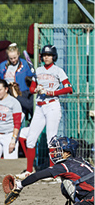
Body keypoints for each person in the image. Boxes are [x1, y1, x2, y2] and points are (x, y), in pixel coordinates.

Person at [6, 136, 94, 205]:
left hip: (92, 199)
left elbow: (37, 175)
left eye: (58, 150)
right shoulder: (81, 161)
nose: (54, 153)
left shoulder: (63, 166)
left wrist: (20, 185)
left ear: (67, 153)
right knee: (65, 184)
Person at [21, 45, 73, 177]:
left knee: (51, 139)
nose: (46, 57)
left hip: (52, 106)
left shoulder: (58, 70)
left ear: (53, 56)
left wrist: (51, 92)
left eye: (49, 55)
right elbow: (32, 89)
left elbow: (69, 88)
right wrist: (37, 89)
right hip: (39, 107)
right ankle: (28, 170)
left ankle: (52, 171)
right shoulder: (38, 70)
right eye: (44, 55)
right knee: (30, 139)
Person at [0, 43, 34, 120]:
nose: (13, 60)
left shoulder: (25, 65)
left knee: (20, 117)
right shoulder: (3, 66)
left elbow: (32, 77)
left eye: (15, 57)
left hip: (22, 94)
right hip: (9, 95)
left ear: (19, 54)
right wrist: (0, 87)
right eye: (11, 58)